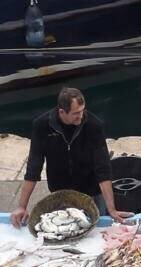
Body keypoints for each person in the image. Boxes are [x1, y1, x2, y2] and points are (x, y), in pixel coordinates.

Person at [12, 87, 129, 226]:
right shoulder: (42, 126)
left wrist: (112, 209)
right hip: (61, 193)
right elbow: (33, 167)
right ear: (62, 112)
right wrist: (22, 206)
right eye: (76, 113)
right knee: (64, 229)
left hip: (91, 192)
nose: (81, 116)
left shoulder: (94, 125)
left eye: (82, 110)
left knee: (95, 230)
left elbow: (103, 168)